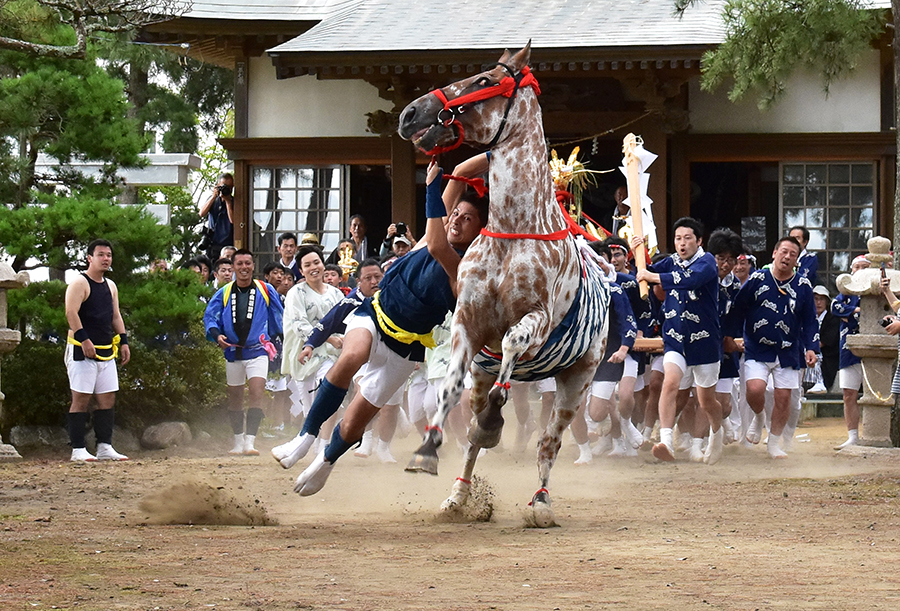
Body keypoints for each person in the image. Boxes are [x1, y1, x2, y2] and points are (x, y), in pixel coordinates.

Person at [279, 154, 489, 495]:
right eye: (455, 214)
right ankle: (304, 437)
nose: (457, 220)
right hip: (373, 316)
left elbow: (437, 244)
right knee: (352, 355)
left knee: (357, 417)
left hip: (405, 348)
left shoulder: (461, 269)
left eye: (468, 219)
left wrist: (433, 188)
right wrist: (500, 153)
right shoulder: (426, 240)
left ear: (479, 231)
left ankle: (326, 462)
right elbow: (463, 173)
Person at [634, 217, 724, 464]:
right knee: (669, 382)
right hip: (675, 338)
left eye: (687, 238)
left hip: (704, 342)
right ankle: (665, 440)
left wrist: (653, 277)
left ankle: (717, 432)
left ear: (699, 240)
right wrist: (637, 252)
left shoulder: (707, 263)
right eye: (677, 238)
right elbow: (642, 273)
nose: (682, 244)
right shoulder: (670, 262)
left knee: (706, 401)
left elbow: (689, 281)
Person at [724, 236, 818, 458]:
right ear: (774, 254)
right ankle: (758, 416)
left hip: (789, 349)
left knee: (784, 397)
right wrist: (729, 337)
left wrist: (812, 347)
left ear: (797, 260)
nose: (787, 257)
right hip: (757, 346)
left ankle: (774, 443)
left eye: (792, 254)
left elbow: (810, 319)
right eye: (783, 252)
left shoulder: (803, 285)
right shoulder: (757, 279)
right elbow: (738, 309)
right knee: (755, 389)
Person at [203, 248, 283, 456]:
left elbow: (278, 315)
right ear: (233, 267)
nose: (244, 267)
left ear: (253, 265)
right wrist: (216, 334)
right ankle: (238, 441)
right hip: (232, 351)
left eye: (248, 263)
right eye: (239, 264)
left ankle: (250, 441)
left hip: (258, 350)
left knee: (257, 392)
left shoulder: (266, 290)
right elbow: (210, 316)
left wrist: (280, 336)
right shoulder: (224, 292)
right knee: (235, 397)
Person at [64, 239, 131, 462]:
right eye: (101, 254)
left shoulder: (111, 285)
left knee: (107, 397)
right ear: (89, 258)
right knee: (81, 397)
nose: (106, 259)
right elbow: (71, 313)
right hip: (80, 348)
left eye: (109, 255)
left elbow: (115, 315)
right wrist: (84, 340)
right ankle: (78, 448)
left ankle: (104, 445)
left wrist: (124, 340)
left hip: (105, 349)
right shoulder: (79, 283)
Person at [280, 245, 345, 441]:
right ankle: (311, 444)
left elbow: (347, 322)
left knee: (329, 395)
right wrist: (329, 338)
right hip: (304, 355)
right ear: (301, 270)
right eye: (307, 265)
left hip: (332, 355)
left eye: (316, 262)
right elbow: (300, 324)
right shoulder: (296, 293)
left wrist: (342, 340)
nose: (313, 267)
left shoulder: (336, 294)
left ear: (323, 265)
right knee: (310, 409)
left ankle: (324, 445)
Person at [830, 256, 870, 447]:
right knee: (848, 393)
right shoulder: (846, 291)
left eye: (865, 267)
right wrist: (855, 311)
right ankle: (853, 435)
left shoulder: (877, 291)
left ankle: (874, 432)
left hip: (873, 349)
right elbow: (835, 307)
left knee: (876, 393)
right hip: (848, 348)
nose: (860, 270)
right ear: (851, 269)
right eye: (857, 267)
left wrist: (851, 314)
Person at [199, 173, 235, 263]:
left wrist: (228, 202)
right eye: (224, 186)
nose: (227, 189)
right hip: (213, 242)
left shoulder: (234, 202)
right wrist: (214, 196)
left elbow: (233, 220)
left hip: (228, 242)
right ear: (218, 186)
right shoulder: (213, 200)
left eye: (230, 187)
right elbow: (202, 213)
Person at [814, 284, 840, 392]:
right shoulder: (808, 317)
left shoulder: (832, 318)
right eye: (816, 299)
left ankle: (820, 383)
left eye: (822, 299)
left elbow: (827, 340)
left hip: (828, 355)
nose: (819, 303)